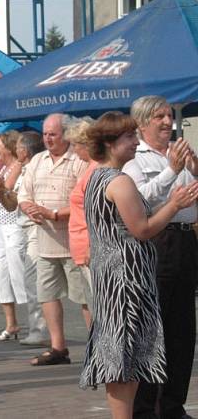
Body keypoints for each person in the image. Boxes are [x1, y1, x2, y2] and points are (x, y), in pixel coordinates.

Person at [80, 111, 198, 419]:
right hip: (125, 282)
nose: (135, 142)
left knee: (126, 360)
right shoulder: (118, 181)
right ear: (109, 143)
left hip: (114, 278)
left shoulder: (96, 177)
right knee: (125, 360)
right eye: (128, 137)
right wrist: (175, 204)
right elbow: (142, 229)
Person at [124, 95, 198, 419]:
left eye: (169, 115)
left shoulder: (181, 154)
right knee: (154, 331)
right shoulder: (134, 160)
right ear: (141, 124)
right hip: (156, 241)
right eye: (159, 117)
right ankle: (145, 409)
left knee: (183, 331)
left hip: (185, 240)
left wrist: (194, 170)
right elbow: (139, 200)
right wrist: (171, 171)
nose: (167, 122)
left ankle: (173, 406)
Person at [18, 113, 89, 366]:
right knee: (47, 294)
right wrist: (29, 208)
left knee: (85, 297)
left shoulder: (78, 161)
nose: (48, 138)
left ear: (65, 135)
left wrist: (55, 214)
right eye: (45, 134)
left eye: (53, 134)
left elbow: (84, 201)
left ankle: (97, 347)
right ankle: (58, 347)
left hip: (73, 241)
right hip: (45, 240)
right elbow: (24, 194)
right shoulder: (37, 160)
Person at [0, 130, 26, 341]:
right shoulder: (2, 168)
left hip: (14, 227)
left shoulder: (17, 167)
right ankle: (11, 324)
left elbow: (8, 190)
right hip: (0, 228)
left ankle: (36, 322)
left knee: (18, 276)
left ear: (9, 147)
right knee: (2, 275)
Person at [65, 116, 97, 295]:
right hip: (83, 248)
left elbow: (98, 214)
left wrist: (91, 247)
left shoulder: (94, 171)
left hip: (90, 249)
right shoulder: (89, 169)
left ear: (86, 144)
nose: (73, 150)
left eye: (75, 145)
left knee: (101, 307)